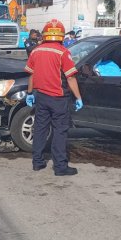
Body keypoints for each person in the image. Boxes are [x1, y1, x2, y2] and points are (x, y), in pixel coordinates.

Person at [24, 19, 83, 176]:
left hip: (41, 96)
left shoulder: (36, 51)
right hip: (58, 98)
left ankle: (37, 162)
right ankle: (60, 166)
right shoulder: (63, 52)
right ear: (61, 36)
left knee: (40, 129)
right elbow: (70, 78)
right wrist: (78, 97)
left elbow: (31, 74)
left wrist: (30, 93)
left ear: (45, 34)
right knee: (60, 131)